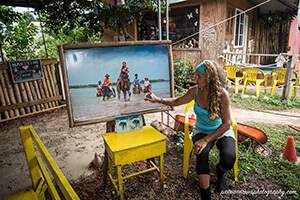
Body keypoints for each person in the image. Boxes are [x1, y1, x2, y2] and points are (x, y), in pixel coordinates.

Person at [144, 60, 236, 200]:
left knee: (229, 158)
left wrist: (206, 140)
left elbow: (227, 124)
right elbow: (177, 101)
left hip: (221, 130)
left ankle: (220, 172)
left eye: (199, 76)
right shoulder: (195, 91)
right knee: (202, 154)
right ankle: (205, 196)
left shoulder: (222, 94)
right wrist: (157, 99)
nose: (195, 78)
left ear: (209, 77)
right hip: (201, 130)